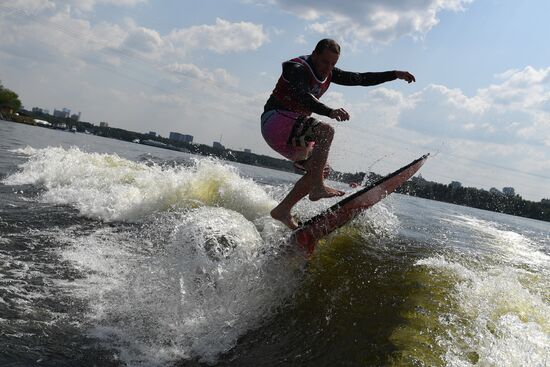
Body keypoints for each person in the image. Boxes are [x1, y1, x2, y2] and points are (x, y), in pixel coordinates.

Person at [261, 39, 415, 229]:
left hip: (293, 135)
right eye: (325, 62)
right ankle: (318, 188)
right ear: (314, 54)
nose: (328, 68)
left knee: (321, 169)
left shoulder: (329, 73)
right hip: (275, 121)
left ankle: (283, 210)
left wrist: (395, 74)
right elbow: (303, 95)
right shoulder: (297, 68)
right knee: (326, 131)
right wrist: (329, 111)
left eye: (333, 64)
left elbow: (361, 78)